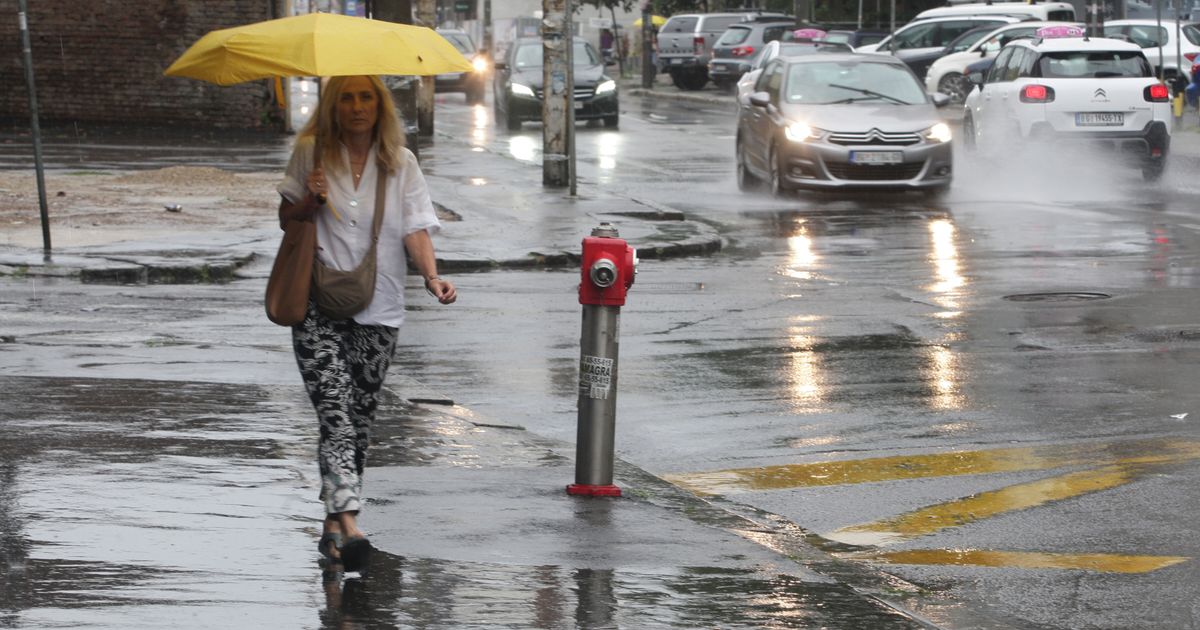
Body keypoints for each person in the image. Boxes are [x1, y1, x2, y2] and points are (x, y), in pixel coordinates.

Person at [276, 74, 457, 573]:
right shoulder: (311, 153)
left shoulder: (401, 162)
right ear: (333, 106)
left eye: (366, 97)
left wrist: (432, 277)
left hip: (381, 306)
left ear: (380, 106)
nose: (357, 107)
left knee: (357, 418)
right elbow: (286, 217)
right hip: (315, 303)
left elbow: (416, 227)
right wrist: (310, 200)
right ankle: (352, 522)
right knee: (334, 409)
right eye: (347, 98)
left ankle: (332, 526)